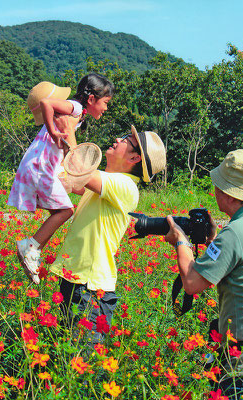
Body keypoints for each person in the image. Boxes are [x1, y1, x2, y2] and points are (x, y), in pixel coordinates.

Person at [48, 117, 166, 346]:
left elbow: (79, 170)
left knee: (80, 366)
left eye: (125, 140)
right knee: (66, 360)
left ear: (134, 158)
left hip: (91, 290)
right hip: (76, 283)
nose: (117, 139)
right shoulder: (105, 183)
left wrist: (70, 130)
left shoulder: (126, 186)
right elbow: (70, 176)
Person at [164, 149, 243, 399]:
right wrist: (214, 241)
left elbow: (192, 284)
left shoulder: (235, 234)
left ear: (229, 195)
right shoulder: (238, 233)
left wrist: (181, 240)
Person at [8, 74, 114, 284]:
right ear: (91, 99)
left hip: (40, 166)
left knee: (61, 209)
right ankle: (30, 247)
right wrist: (52, 131)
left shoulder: (77, 115)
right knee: (66, 210)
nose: (106, 108)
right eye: (105, 103)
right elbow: (46, 102)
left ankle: (32, 249)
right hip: (41, 167)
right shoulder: (75, 107)